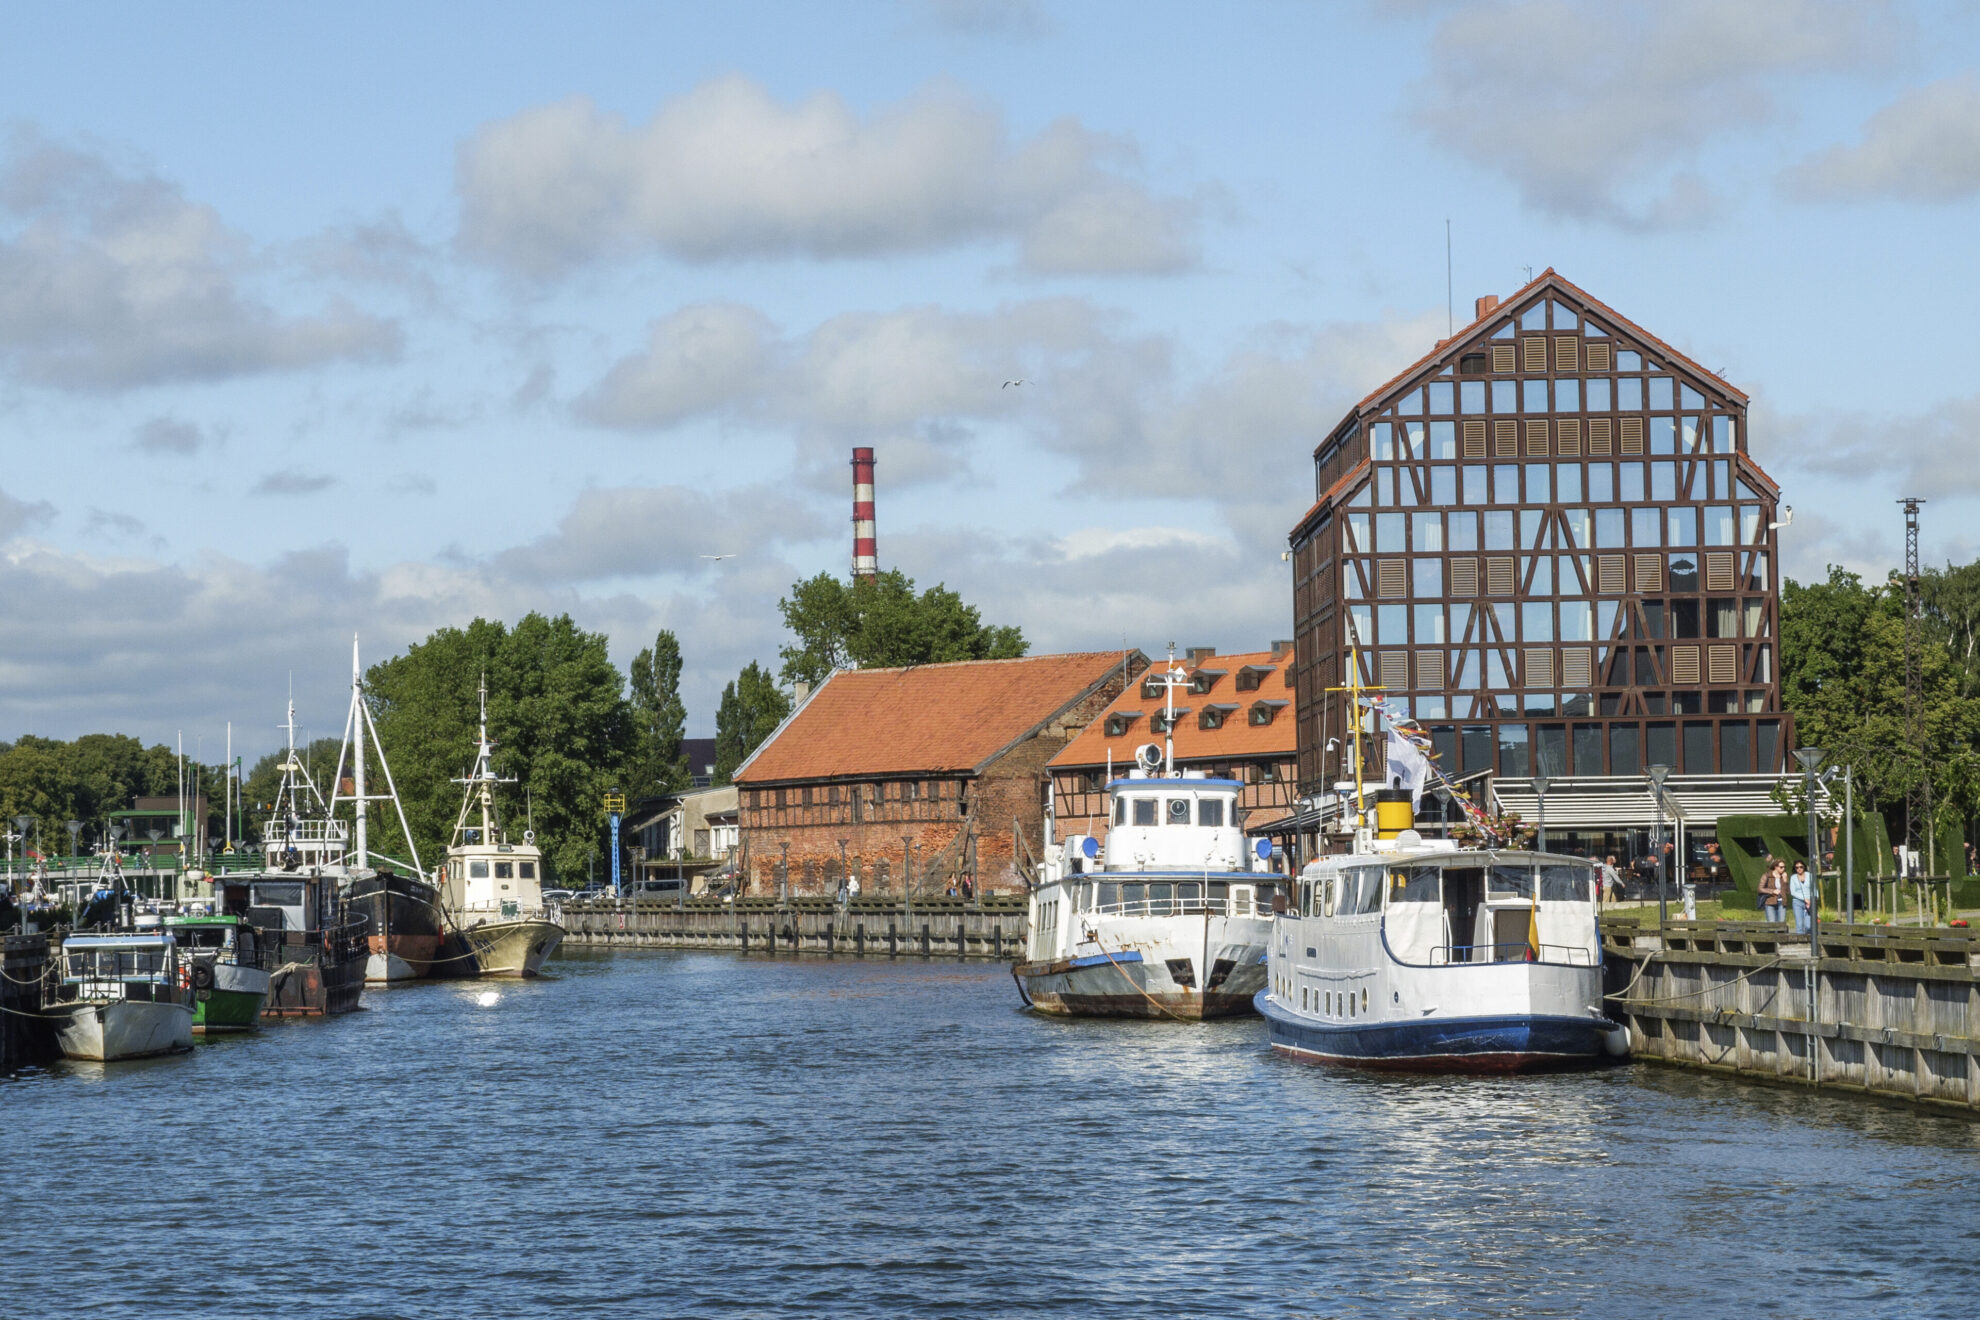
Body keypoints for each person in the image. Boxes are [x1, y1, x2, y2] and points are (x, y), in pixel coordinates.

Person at [1788, 859, 1814, 935]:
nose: (1799, 869)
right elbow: (1793, 892)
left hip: (1810, 902)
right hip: (1797, 902)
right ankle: (1800, 943)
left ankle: (1810, 942)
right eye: (1797, 867)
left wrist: (1813, 899)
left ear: (1804, 867)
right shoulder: (1793, 877)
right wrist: (1804, 899)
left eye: (1801, 867)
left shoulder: (1810, 875)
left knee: (1808, 925)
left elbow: (1814, 889)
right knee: (1799, 924)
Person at [1758, 856, 1786, 924]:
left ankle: (1780, 935)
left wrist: (1785, 881)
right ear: (1776, 867)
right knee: (1772, 925)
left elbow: (1787, 891)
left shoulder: (1783, 876)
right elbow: (1760, 889)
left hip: (1781, 903)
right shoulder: (1767, 875)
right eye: (1781, 867)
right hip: (1769, 902)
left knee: (1781, 925)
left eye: (1784, 867)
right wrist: (1772, 891)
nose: (1783, 869)